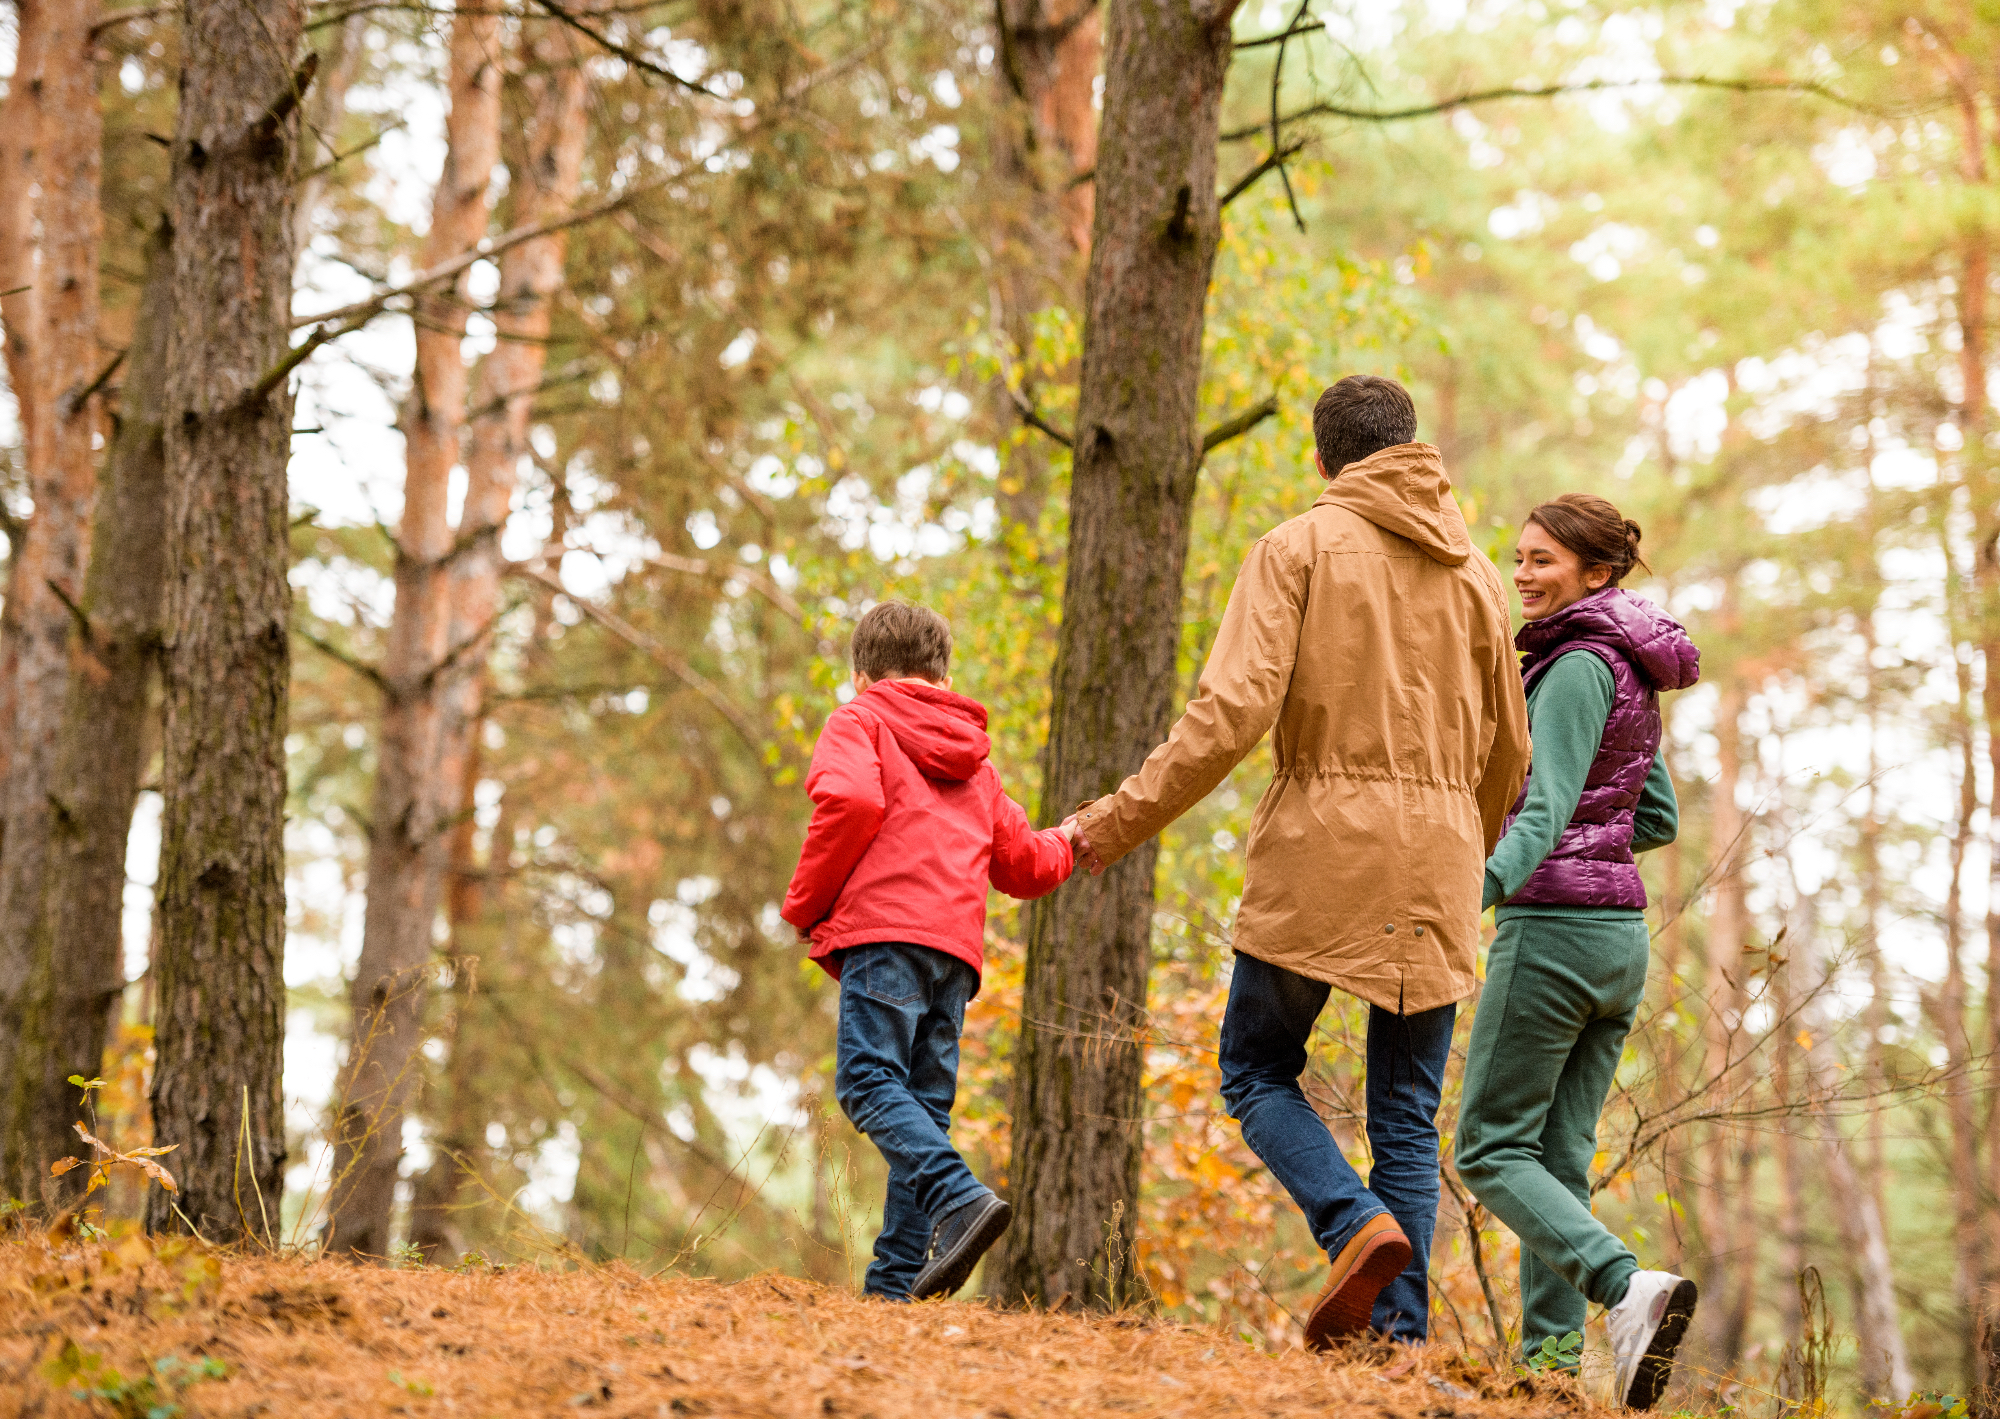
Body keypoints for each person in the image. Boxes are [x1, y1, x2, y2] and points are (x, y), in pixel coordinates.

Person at [1065, 375, 1531, 1347]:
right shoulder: (1482, 577)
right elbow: (1510, 755)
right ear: (1413, 451)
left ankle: (1348, 1222)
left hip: (1323, 851)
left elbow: (1227, 716)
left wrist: (1109, 824)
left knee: (1253, 1067)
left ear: (1324, 460)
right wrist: (1463, 851)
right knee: (1403, 1111)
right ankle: (1396, 1343)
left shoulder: (1297, 550)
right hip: (1442, 864)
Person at [1452, 494, 1701, 1409]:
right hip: (1619, 944)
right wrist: (1594, 853)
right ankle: (1552, 1372)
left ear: (1598, 573)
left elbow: (1548, 805)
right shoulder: (1631, 669)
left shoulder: (1570, 666)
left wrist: (1477, 885)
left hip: (1552, 934)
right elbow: (1658, 816)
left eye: (1543, 560)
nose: (1523, 574)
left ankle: (1622, 1284)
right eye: (1518, 557)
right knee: (1556, 1157)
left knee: (1486, 1146)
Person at [781, 601, 1077, 1302]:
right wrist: (1070, 839)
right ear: (942, 675)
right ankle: (895, 1289)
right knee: (922, 1109)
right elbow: (1024, 863)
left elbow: (850, 802)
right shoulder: (976, 761)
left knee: (867, 1083)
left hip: (886, 935)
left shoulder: (860, 720)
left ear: (862, 675)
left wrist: (804, 903)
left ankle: (959, 1195)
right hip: (954, 958)